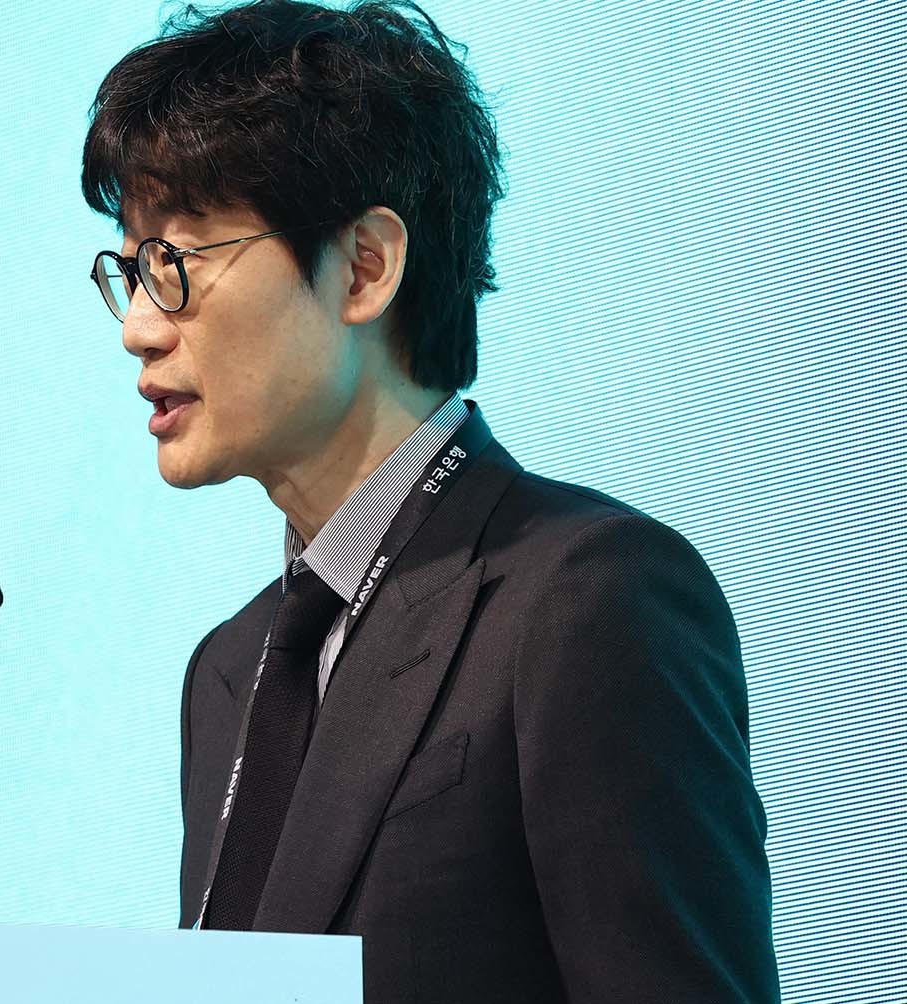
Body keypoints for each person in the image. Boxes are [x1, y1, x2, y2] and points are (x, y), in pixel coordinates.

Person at [80, 1, 779, 1001]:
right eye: (130, 269)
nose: (138, 329)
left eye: (175, 264)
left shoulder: (585, 599)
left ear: (365, 268)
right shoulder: (227, 671)